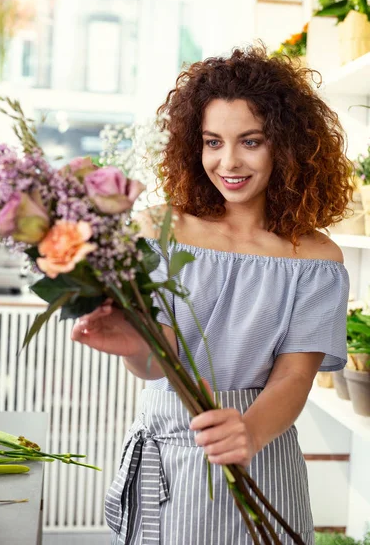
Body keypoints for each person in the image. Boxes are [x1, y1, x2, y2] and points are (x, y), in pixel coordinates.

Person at [71, 45, 352, 544]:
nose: (228, 161)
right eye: (212, 142)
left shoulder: (316, 259)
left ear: (286, 146)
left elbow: (293, 376)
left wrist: (248, 433)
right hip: (172, 463)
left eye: (251, 141)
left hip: (264, 456)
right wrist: (135, 344)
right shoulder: (160, 229)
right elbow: (160, 361)